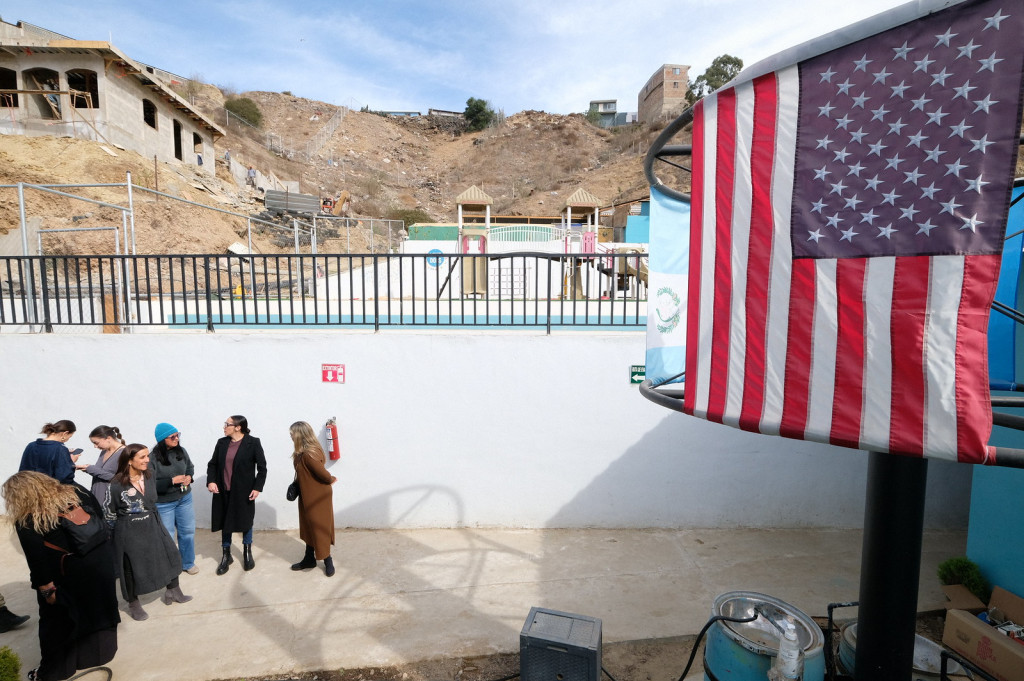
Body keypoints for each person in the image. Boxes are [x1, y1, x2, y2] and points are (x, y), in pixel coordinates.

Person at [3, 471, 119, 681]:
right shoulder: (76, 493)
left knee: (56, 625)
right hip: (98, 568)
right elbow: (99, 517)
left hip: (65, 577)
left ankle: (53, 672)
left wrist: (47, 590)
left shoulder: (29, 518)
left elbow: (36, 560)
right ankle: (92, 657)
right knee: (93, 613)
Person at [104, 445, 191, 621]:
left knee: (170, 554)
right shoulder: (116, 485)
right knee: (130, 567)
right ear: (129, 461)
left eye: (146, 456)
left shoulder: (149, 475)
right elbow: (109, 512)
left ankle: (173, 591)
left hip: (153, 522)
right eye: (142, 457)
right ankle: (133, 603)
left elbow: (157, 491)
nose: (147, 460)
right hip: (128, 530)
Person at [207, 415, 266, 575]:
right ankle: (226, 555)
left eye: (227, 424)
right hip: (222, 490)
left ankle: (247, 552)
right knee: (225, 521)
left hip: (243, 491)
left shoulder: (253, 443)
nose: (224, 427)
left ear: (238, 427)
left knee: (246, 521)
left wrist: (257, 488)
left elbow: (262, 468)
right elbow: (212, 464)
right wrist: (211, 481)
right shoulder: (222, 442)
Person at [288, 421, 337, 576]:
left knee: (318, 528)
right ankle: (309, 558)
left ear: (299, 435)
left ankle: (328, 560)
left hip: (318, 497)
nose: (290, 436)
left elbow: (324, 474)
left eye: (292, 433)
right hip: (307, 495)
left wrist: (331, 478)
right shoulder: (301, 453)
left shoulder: (309, 454)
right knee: (308, 527)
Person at [150, 423, 198, 575]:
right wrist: (171, 481)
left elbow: (190, 467)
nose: (176, 438)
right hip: (164, 504)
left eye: (178, 435)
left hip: (185, 499)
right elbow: (149, 484)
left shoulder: (182, 452)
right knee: (168, 536)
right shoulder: (152, 458)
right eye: (172, 436)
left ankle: (188, 563)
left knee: (188, 532)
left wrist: (189, 477)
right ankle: (171, 567)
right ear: (162, 439)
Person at [79, 425, 125, 509]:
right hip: (97, 500)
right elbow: (101, 473)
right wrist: (87, 469)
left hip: (111, 503)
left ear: (108, 438)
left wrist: (91, 469)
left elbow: (120, 479)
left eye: (96, 443)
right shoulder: (104, 451)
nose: (95, 446)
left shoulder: (124, 453)